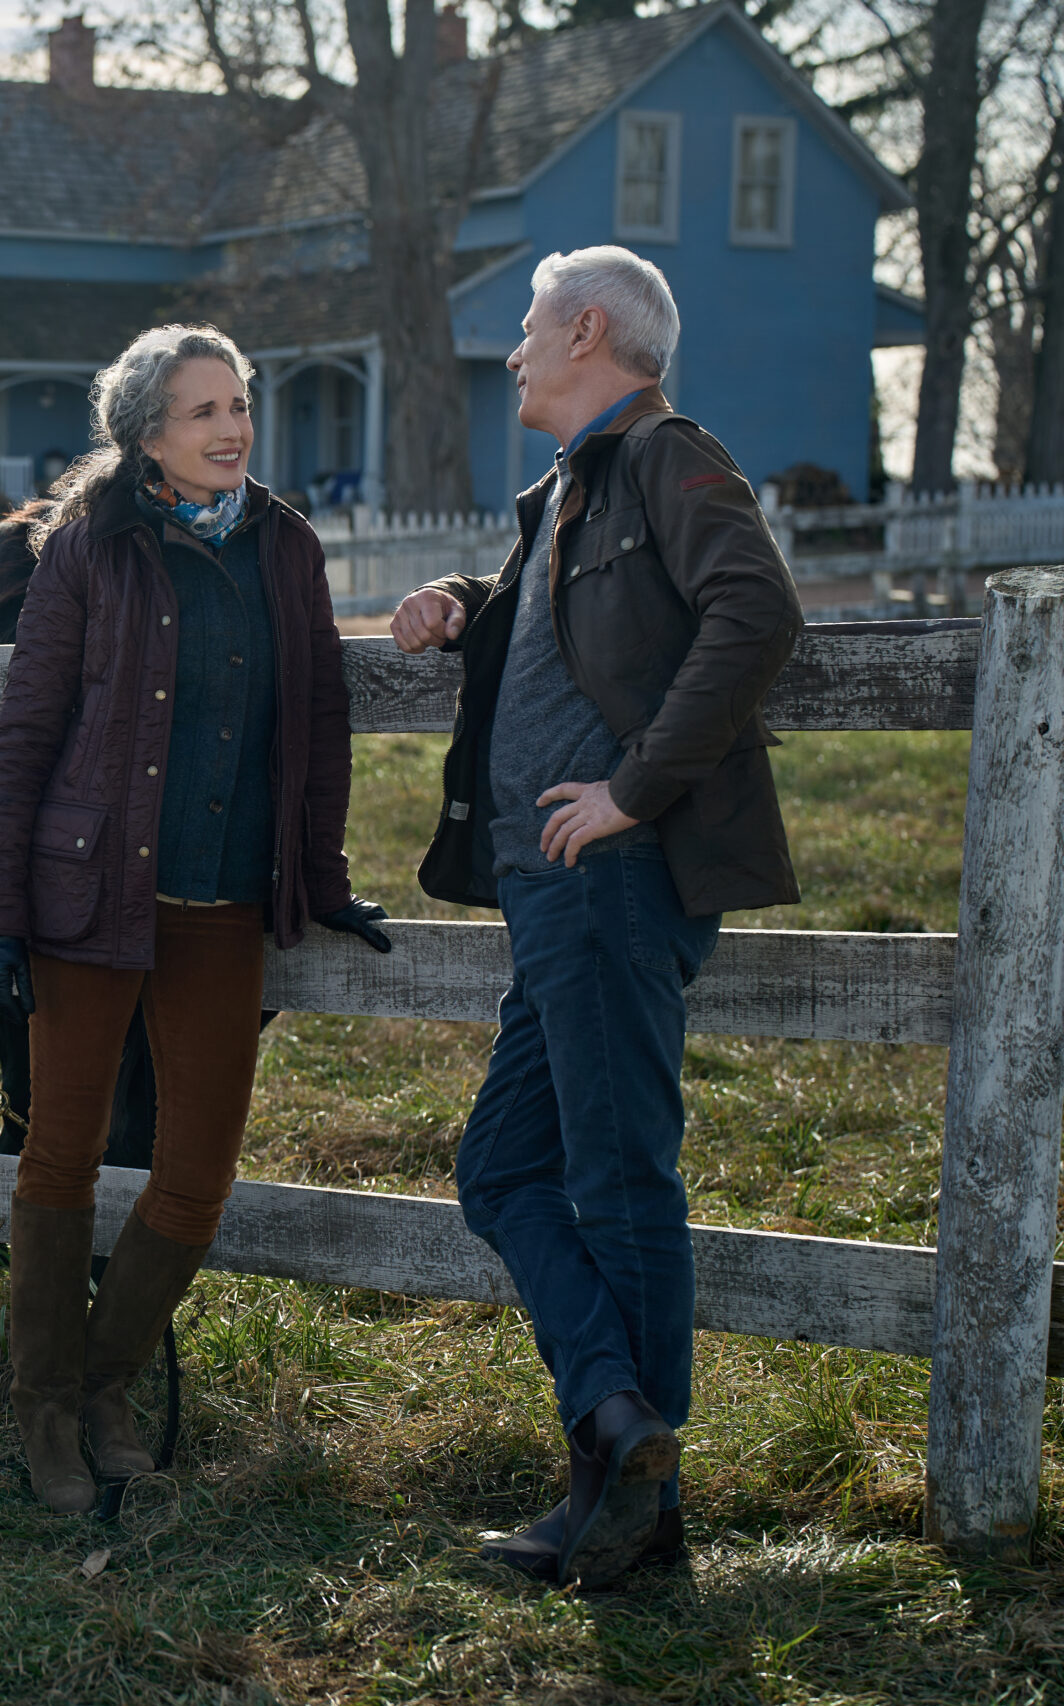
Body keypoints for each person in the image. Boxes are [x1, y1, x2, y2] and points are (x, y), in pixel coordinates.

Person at [390, 247, 802, 1587]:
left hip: (615, 885)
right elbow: (571, 617)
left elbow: (757, 610)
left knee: (622, 1181)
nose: (510, 352)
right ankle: (619, 1430)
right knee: (502, 1169)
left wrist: (631, 790)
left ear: (586, 329)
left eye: (524, 328)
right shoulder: (569, 490)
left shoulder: (673, 456)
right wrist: (467, 601)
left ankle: (633, 1522)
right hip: (550, 895)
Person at [0, 324, 393, 1517]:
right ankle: (43, 1410)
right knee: (62, 1153)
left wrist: (318, 875)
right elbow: (27, 729)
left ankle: (102, 1385)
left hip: (222, 907)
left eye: (240, 404)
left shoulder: (285, 546)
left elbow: (314, 728)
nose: (232, 429)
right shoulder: (87, 546)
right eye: (203, 410)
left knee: (195, 1175)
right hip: (88, 897)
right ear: (146, 430)